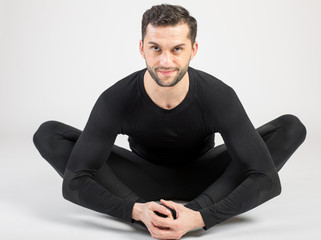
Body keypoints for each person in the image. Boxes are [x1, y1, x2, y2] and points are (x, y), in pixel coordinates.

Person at [33, 4, 306, 240]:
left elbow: (266, 180)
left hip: (206, 178)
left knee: (290, 128)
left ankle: (184, 214)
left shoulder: (218, 95)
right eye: (155, 48)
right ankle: (153, 213)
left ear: (193, 49)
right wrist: (137, 211)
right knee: (48, 134)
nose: (166, 61)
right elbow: (75, 182)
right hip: (140, 180)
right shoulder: (116, 98)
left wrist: (199, 216)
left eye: (177, 49)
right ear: (142, 48)